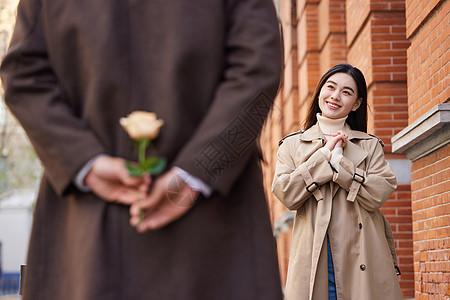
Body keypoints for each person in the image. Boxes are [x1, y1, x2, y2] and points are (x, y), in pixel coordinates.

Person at [0, 1, 283, 299]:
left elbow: (23, 76)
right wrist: (200, 169)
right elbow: (258, 65)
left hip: (88, 235)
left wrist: (84, 161)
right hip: (214, 232)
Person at [272, 64, 403, 300]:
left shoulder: (369, 145)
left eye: (346, 91)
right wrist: (323, 158)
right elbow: (286, 194)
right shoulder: (292, 145)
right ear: (320, 92)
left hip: (362, 253)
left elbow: (379, 193)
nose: (335, 96)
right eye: (330, 87)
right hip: (316, 253)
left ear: (356, 103)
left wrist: (341, 165)